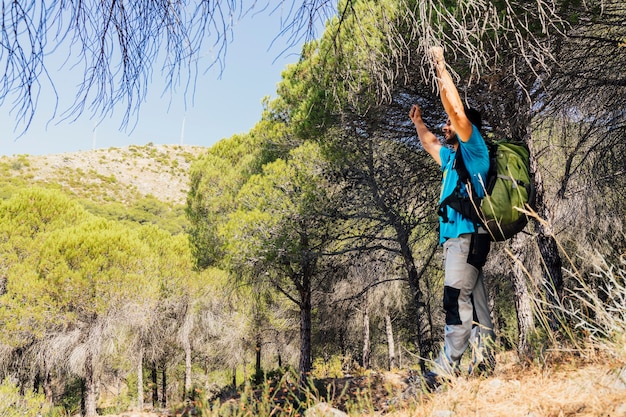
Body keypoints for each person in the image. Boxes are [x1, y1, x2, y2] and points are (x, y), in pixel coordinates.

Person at [409, 47, 495, 388]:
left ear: (465, 127)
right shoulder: (452, 160)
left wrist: (440, 67)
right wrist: (418, 123)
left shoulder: (475, 150)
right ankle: (485, 359)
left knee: (454, 300)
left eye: (451, 124)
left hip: (466, 237)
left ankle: (444, 369)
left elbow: (457, 110)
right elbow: (430, 142)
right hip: (459, 240)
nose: (446, 126)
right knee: (474, 299)